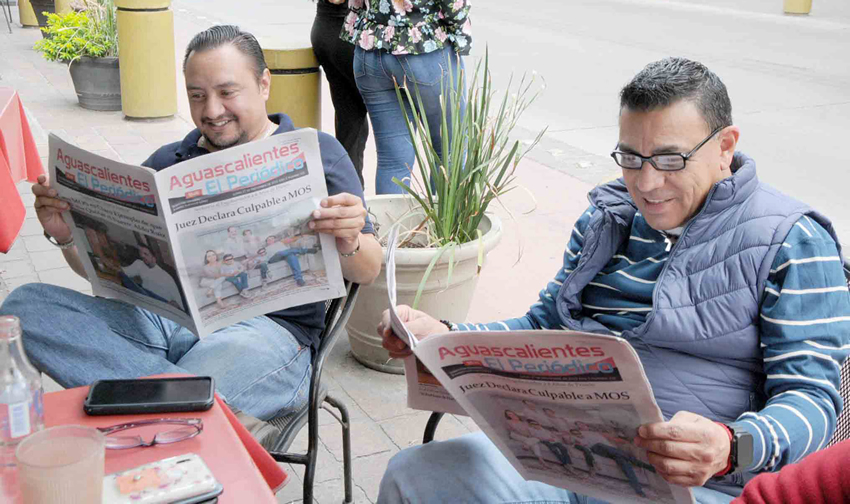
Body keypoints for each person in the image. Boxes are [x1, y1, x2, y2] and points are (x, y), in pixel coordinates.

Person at [375, 57, 850, 503]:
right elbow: (544, 327)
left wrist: (733, 445)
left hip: (692, 483)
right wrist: (448, 339)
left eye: (669, 160)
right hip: (561, 457)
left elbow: (812, 402)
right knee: (416, 474)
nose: (645, 184)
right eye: (630, 157)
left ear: (725, 147)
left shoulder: (792, 241)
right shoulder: (609, 219)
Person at [1, 25, 382, 446]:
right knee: (25, 308)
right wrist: (68, 236)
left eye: (227, 92)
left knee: (192, 381)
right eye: (197, 95)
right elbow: (99, 273)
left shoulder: (317, 152)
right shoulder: (167, 163)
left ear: (264, 84)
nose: (212, 110)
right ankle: (207, 413)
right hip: (163, 319)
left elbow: (368, 269)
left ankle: (166, 408)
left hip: (266, 333)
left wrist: (348, 240)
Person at [343, 0, 471, 194]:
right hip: (424, 49)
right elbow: (454, 7)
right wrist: (461, 35)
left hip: (371, 49)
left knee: (392, 163)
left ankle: (393, 224)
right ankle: (443, 224)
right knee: (449, 154)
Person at [311, 0, 368, 187]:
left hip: (327, 29)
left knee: (350, 122)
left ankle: (348, 194)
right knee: (392, 132)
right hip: (346, 33)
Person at [117, 243, 186, 311]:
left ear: (154, 258)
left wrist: (173, 305)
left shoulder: (166, 276)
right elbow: (124, 272)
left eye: (146, 254)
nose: (143, 256)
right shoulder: (140, 264)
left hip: (161, 302)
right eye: (142, 255)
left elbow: (178, 303)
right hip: (145, 296)